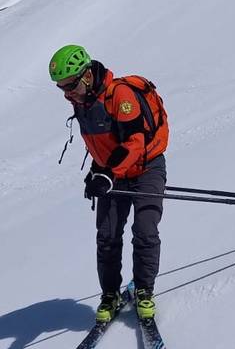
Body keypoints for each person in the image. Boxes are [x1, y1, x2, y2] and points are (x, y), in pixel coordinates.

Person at [49, 44, 169, 323]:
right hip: (113, 173)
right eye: (61, 88)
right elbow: (102, 144)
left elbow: (134, 143)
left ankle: (143, 290)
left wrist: (108, 174)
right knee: (107, 236)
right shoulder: (83, 103)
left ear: (87, 75)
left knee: (145, 230)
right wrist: (96, 171)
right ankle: (111, 294)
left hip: (146, 169)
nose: (67, 93)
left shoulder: (121, 95)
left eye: (70, 85)